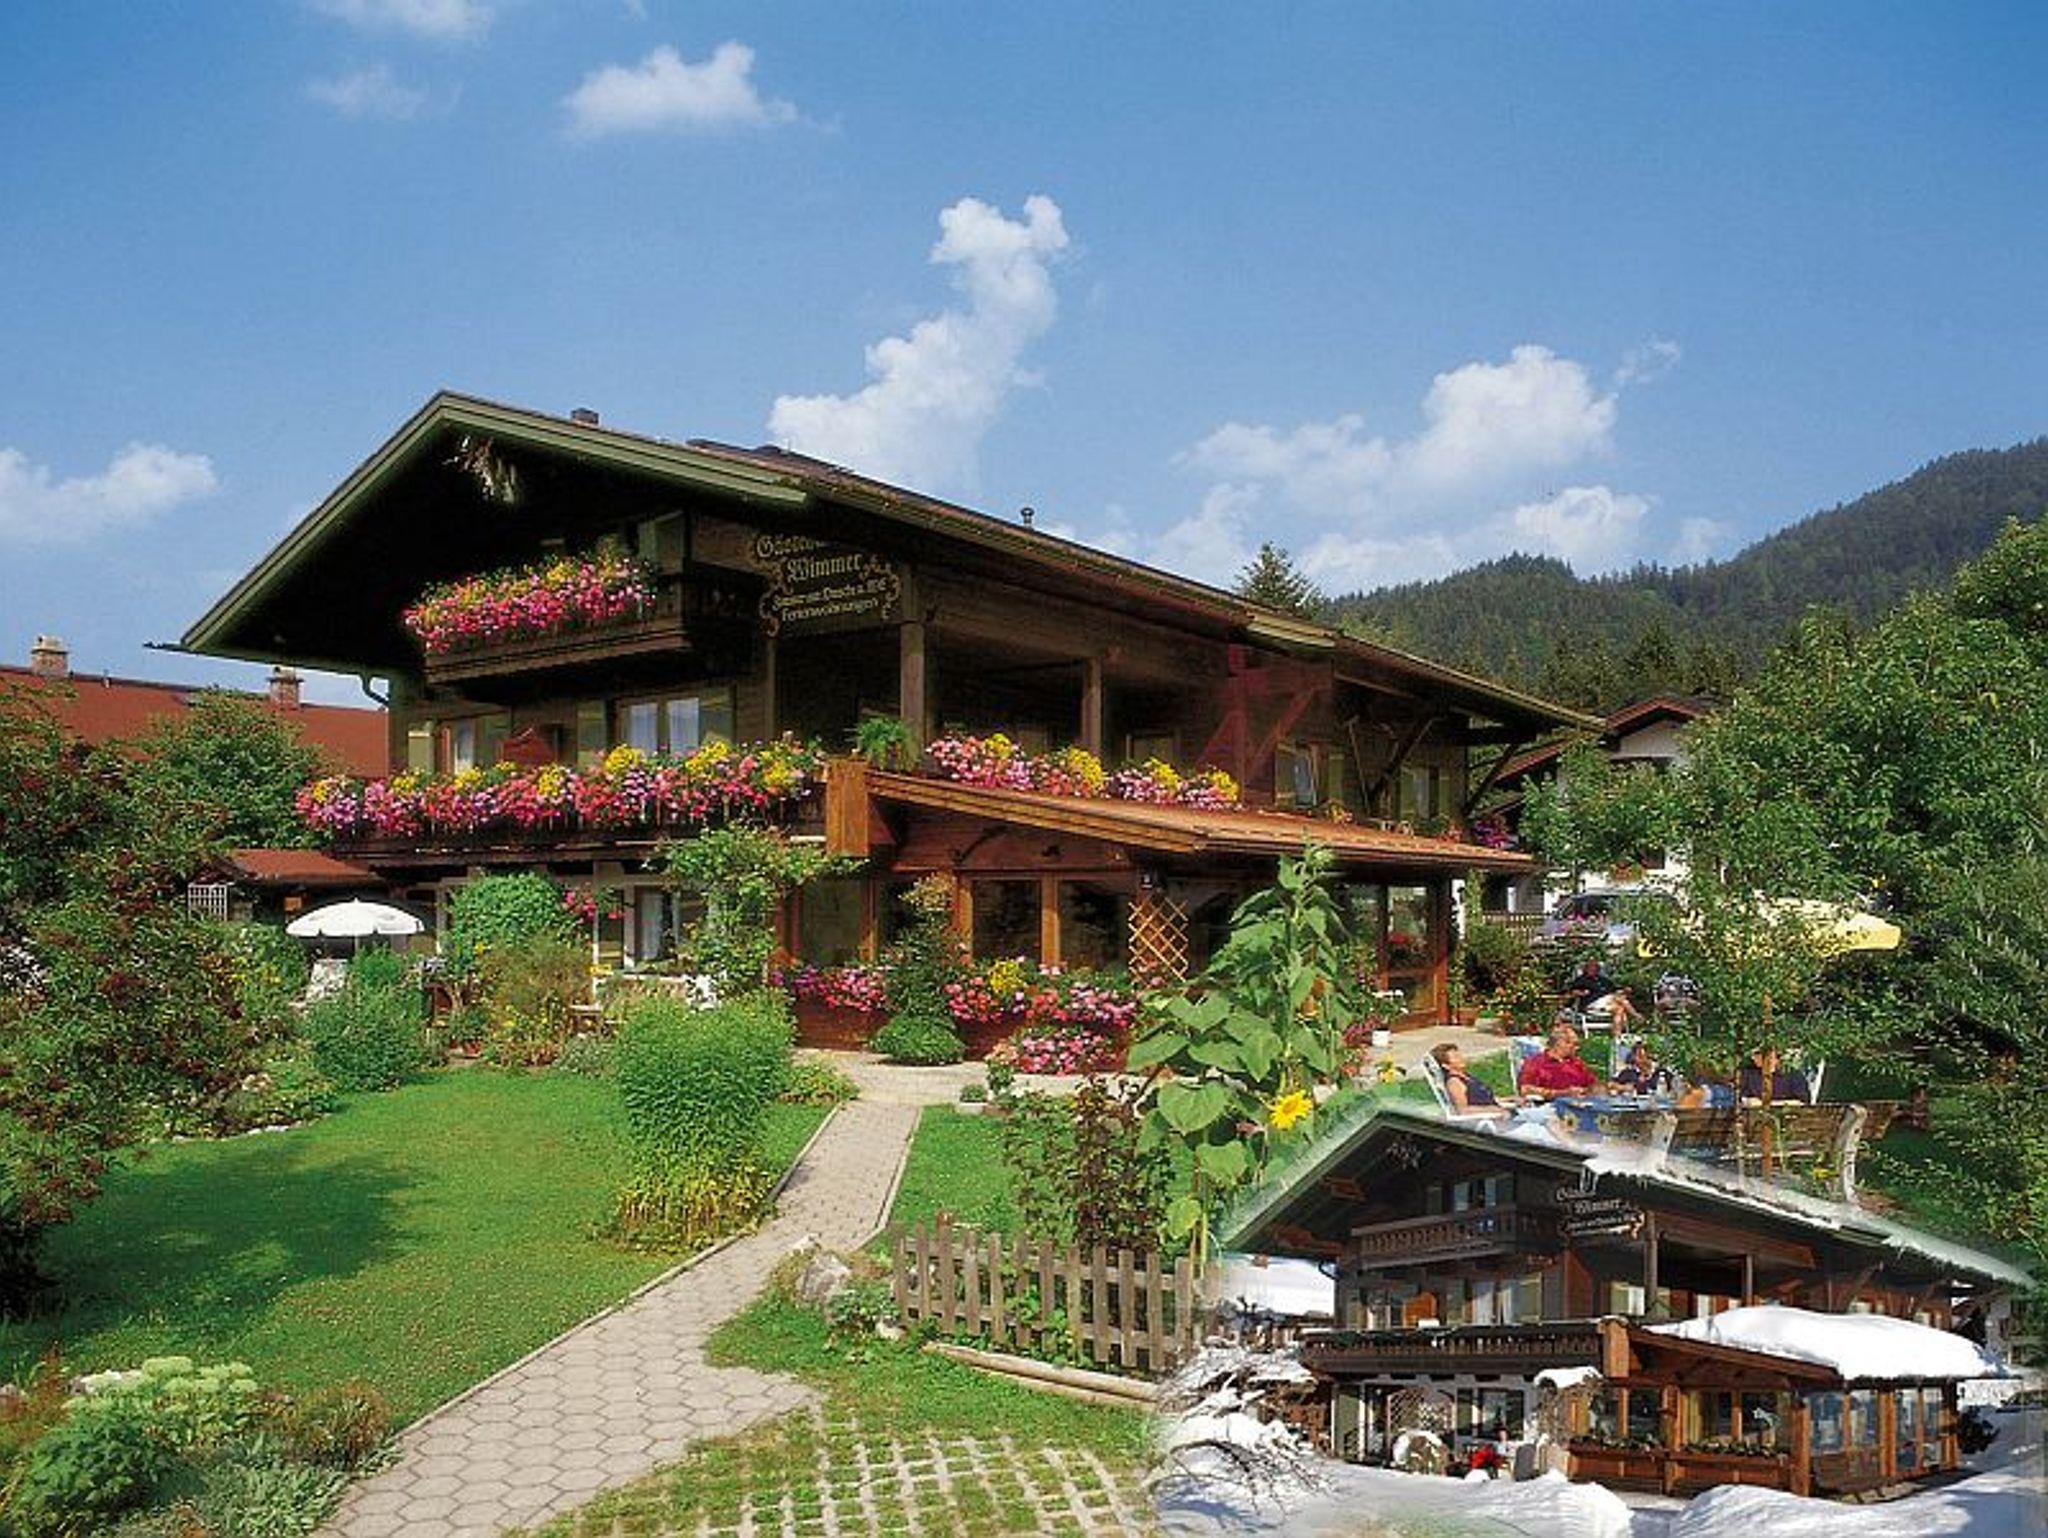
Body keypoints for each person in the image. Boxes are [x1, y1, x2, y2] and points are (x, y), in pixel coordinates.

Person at [1518, 1021, 1600, 1100]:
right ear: (1560, 1043)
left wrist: (1600, 1089)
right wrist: (1563, 1093)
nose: (1577, 1048)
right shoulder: (1535, 1063)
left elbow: (1593, 1084)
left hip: (1581, 1104)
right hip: (1550, 1106)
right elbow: (1526, 1090)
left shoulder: (1576, 1062)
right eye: (1574, 1044)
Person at [1431, 1043, 1512, 1115]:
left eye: (1460, 1055)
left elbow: (1485, 1098)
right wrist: (1492, 1110)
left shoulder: (1466, 1076)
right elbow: (1463, 1110)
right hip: (1488, 1120)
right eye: (1456, 1057)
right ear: (1446, 1066)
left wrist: (1509, 1099)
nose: (1461, 1058)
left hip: (1499, 1113)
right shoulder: (1454, 1083)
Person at [1565, 956, 1642, 1028]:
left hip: (1606, 1003)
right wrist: (1581, 993)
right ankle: (1637, 1016)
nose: (1593, 968)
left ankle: (1617, 1037)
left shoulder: (1604, 980)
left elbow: (1614, 989)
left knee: (1619, 1009)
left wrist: (1624, 990)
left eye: (1595, 967)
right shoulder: (1581, 980)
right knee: (1621, 999)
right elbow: (1572, 992)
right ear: (1586, 968)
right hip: (1592, 1004)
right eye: (1591, 967)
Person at [1738, 1046, 1811, 1103]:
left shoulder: (1794, 1075)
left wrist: (1772, 1104)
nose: (1753, 1058)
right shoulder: (1748, 1074)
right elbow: (1743, 1098)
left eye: (1758, 1054)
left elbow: (1803, 1102)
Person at [1609, 1041, 1679, 1098]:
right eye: (1639, 1056)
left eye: (1646, 1056)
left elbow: (1677, 1086)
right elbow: (1610, 1085)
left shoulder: (1661, 1072)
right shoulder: (1628, 1073)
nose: (1643, 1060)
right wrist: (1623, 1087)